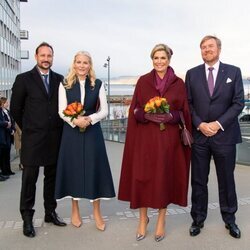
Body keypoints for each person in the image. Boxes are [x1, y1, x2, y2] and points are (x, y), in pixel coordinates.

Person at [118, 44, 191, 242]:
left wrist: (172, 115)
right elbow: (134, 109)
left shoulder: (178, 84)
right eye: (156, 58)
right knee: (142, 177)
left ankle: (161, 220)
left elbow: (184, 112)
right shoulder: (143, 81)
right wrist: (145, 115)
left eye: (163, 58)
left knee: (163, 178)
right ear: (152, 60)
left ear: (169, 59)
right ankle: (143, 219)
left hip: (169, 142)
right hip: (145, 140)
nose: (159, 61)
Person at [185, 35, 244, 239]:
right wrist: (200, 124)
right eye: (203, 47)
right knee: (199, 181)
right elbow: (188, 104)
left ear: (219, 48)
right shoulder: (191, 74)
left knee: (226, 180)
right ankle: (197, 219)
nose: (206, 50)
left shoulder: (234, 72)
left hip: (225, 136)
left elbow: (238, 103)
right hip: (200, 137)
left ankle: (230, 219)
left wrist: (217, 124)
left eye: (210, 46)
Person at [10, 42, 66, 238]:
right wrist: (29, 128)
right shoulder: (23, 79)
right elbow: (15, 109)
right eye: (42, 55)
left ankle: (50, 212)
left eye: (49, 55)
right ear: (36, 57)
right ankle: (27, 217)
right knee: (29, 179)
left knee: (51, 178)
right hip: (33, 138)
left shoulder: (60, 80)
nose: (46, 59)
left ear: (52, 57)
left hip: (55, 137)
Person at [55, 51, 115, 230]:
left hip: (92, 132)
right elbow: (61, 110)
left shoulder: (97, 84)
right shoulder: (64, 84)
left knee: (93, 168)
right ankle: (75, 210)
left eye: (85, 63)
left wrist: (89, 119)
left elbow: (104, 110)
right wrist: (75, 121)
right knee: (73, 169)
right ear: (74, 64)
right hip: (71, 133)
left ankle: (97, 211)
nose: (82, 65)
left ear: (90, 65)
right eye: (79, 62)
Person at [0, 97, 15, 176]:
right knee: (3, 155)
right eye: (6, 103)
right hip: (4, 135)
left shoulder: (7, 112)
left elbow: (12, 121)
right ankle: (4, 171)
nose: (7, 104)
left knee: (7, 154)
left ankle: (8, 170)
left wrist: (13, 129)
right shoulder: (1, 112)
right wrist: (7, 125)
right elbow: (4, 123)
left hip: (9, 134)